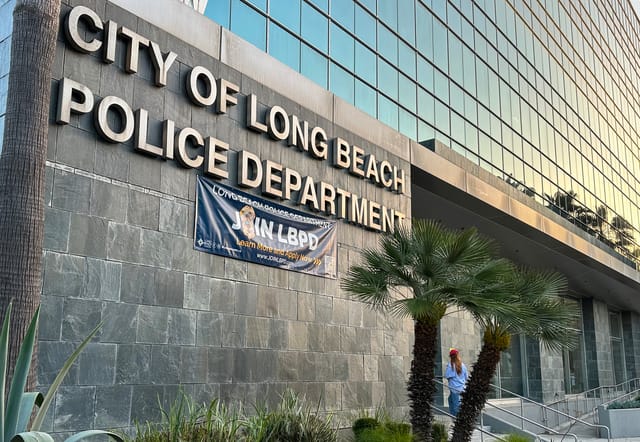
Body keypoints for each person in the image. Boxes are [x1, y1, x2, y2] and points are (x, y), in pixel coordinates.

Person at [445, 348, 468, 417]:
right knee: (450, 400)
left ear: (451, 357)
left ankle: (456, 420)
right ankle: (454, 416)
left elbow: (447, 375)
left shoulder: (451, 365)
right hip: (462, 388)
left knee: (455, 406)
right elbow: (466, 377)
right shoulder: (463, 365)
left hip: (454, 388)